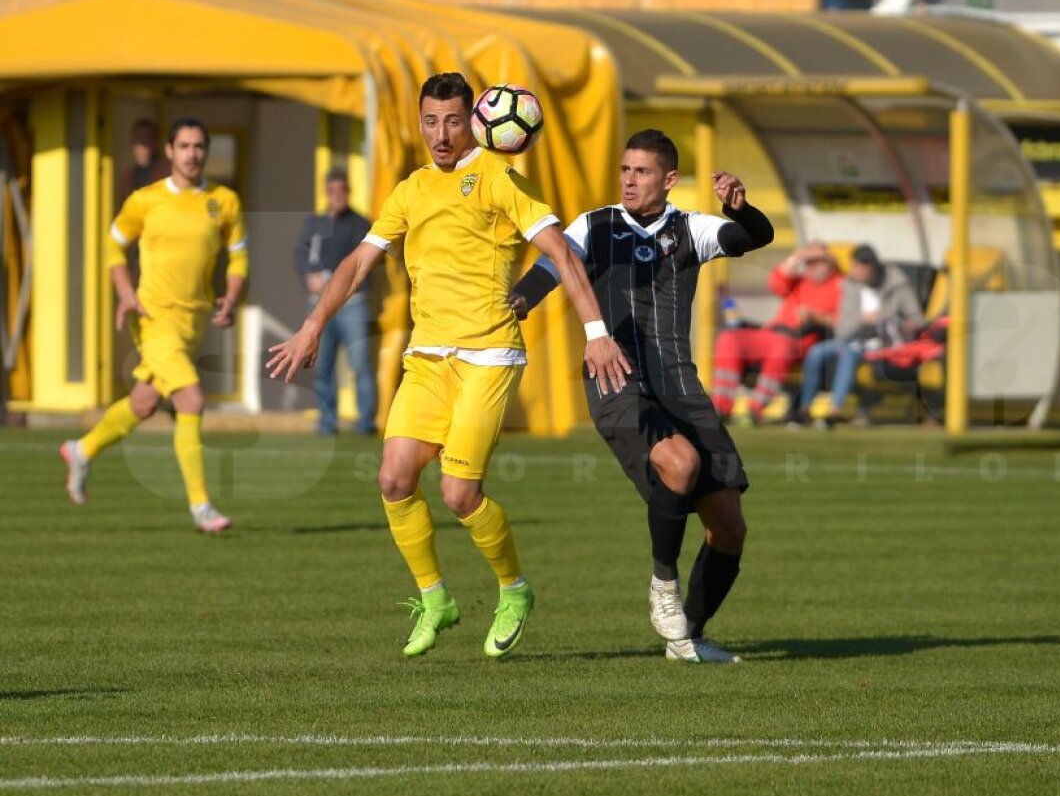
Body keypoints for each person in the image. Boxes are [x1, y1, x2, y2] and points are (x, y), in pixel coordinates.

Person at [266, 73, 628, 660]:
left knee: (459, 494)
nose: (440, 133)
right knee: (392, 479)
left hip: (489, 355)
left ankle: (514, 588)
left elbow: (562, 252)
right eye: (430, 121)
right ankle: (435, 599)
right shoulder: (410, 189)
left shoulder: (500, 178)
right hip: (428, 357)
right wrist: (312, 326)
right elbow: (360, 261)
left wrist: (596, 334)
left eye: (453, 121)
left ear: (476, 121)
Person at [510, 129, 774, 663]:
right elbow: (548, 271)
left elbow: (754, 238)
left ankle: (688, 638)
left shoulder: (690, 229)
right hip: (617, 383)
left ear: (669, 179)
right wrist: (517, 301)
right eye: (626, 170)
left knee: (728, 527)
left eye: (642, 172)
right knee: (680, 464)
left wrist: (742, 210)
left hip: (680, 386)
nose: (630, 181)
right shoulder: (594, 225)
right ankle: (663, 586)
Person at [59, 118, 247, 533]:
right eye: (184, 146)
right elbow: (112, 244)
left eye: (199, 146)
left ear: (206, 151)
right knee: (191, 400)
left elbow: (238, 258)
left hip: (194, 319)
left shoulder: (224, 201)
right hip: (153, 316)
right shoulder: (145, 201)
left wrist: (231, 297)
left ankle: (82, 449)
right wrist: (125, 292)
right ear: (169, 151)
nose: (192, 154)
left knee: (144, 403)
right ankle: (201, 506)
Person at [711, 242, 843, 423]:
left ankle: (755, 408)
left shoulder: (841, 285)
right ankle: (721, 407)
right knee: (729, 338)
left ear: (830, 262)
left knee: (781, 346)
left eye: (818, 261)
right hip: (771, 332)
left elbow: (845, 323)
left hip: (798, 339)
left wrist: (816, 317)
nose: (812, 266)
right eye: (809, 262)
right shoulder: (799, 282)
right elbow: (775, 280)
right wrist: (799, 256)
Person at [794, 244, 922, 428]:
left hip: (884, 344)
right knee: (816, 352)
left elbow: (917, 320)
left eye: (861, 268)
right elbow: (843, 329)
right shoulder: (851, 286)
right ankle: (803, 409)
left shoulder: (897, 284)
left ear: (872, 267)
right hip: (852, 339)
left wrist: (889, 321)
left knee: (848, 354)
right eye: (855, 267)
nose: (857, 272)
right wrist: (862, 320)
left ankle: (834, 411)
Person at [294, 168, 375, 435]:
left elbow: (364, 263)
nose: (336, 195)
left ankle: (365, 423)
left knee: (360, 364)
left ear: (348, 192)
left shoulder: (360, 224)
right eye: (332, 190)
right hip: (319, 306)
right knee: (321, 365)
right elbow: (301, 253)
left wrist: (333, 284)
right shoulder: (315, 224)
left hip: (352, 305)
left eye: (341, 190)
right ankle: (326, 421)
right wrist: (309, 276)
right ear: (326, 192)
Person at [117, 118, 171, 204]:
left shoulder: (167, 173)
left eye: (147, 137)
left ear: (156, 142)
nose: (143, 143)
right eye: (138, 138)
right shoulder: (126, 176)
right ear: (132, 142)